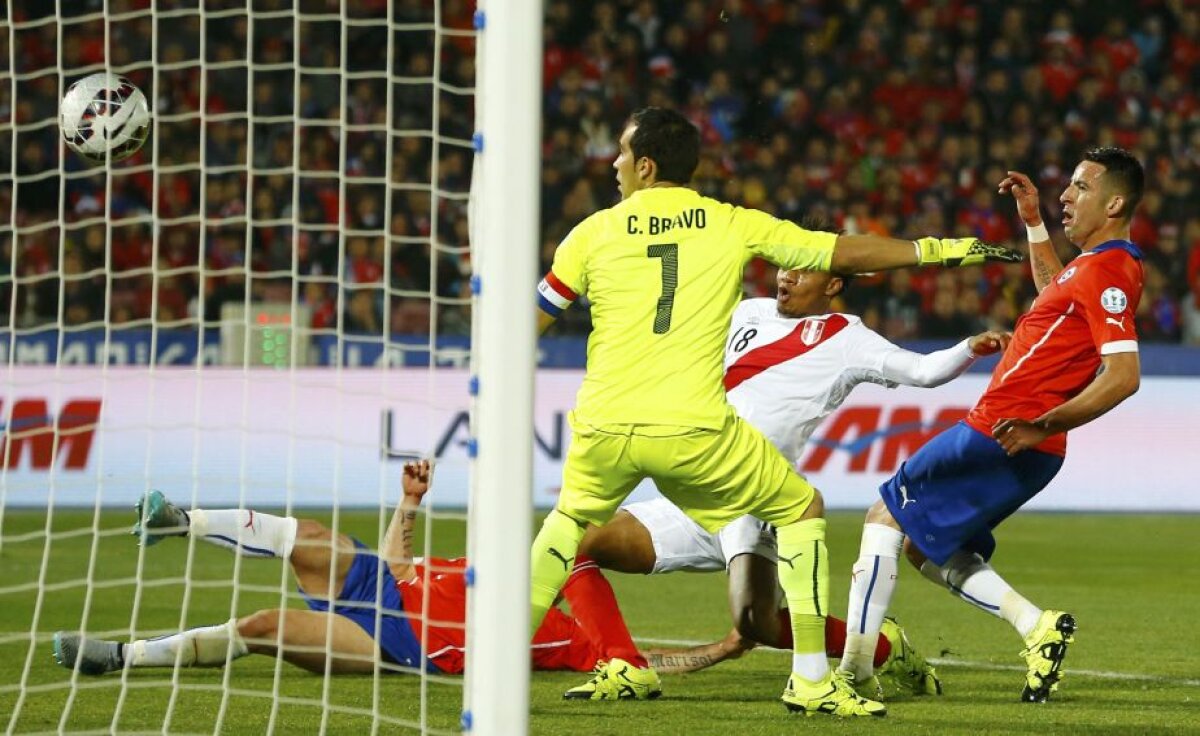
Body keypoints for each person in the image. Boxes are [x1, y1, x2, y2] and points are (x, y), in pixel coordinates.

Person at [531, 106, 1022, 717]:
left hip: (648, 439)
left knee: (590, 543)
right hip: (698, 450)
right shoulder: (737, 249)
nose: (614, 162)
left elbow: (534, 317)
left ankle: (500, 666)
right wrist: (943, 250)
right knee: (788, 514)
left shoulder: (592, 232)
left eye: (623, 154)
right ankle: (758, 676)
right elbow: (836, 249)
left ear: (646, 165)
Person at [581, 263, 1012, 698]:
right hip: (692, 490)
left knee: (756, 622)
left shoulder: (848, 337)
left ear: (833, 284)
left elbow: (923, 371)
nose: (786, 278)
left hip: (757, 497)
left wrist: (969, 348)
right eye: (785, 269)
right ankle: (623, 665)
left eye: (802, 273)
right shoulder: (748, 312)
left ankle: (886, 648)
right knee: (580, 543)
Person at [835, 147, 1145, 704]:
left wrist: (1038, 421)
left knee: (885, 513)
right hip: (1026, 440)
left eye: (1080, 187)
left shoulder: (1111, 272)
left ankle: (853, 673)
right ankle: (1035, 627)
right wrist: (1032, 223)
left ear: (1115, 201)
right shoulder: (1089, 268)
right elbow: (1056, 292)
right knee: (925, 549)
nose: (1065, 196)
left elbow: (1123, 375)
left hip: (1004, 430)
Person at [53, 461, 657, 697]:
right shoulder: (487, 569)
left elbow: (649, 660)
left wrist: (726, 646)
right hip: (385, 585)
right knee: (311, 537)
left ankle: (120, 657)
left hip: (399, 644)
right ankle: (179, 521)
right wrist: (409, 502)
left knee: (262, 627)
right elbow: (399, 561)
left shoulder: (562, 634)